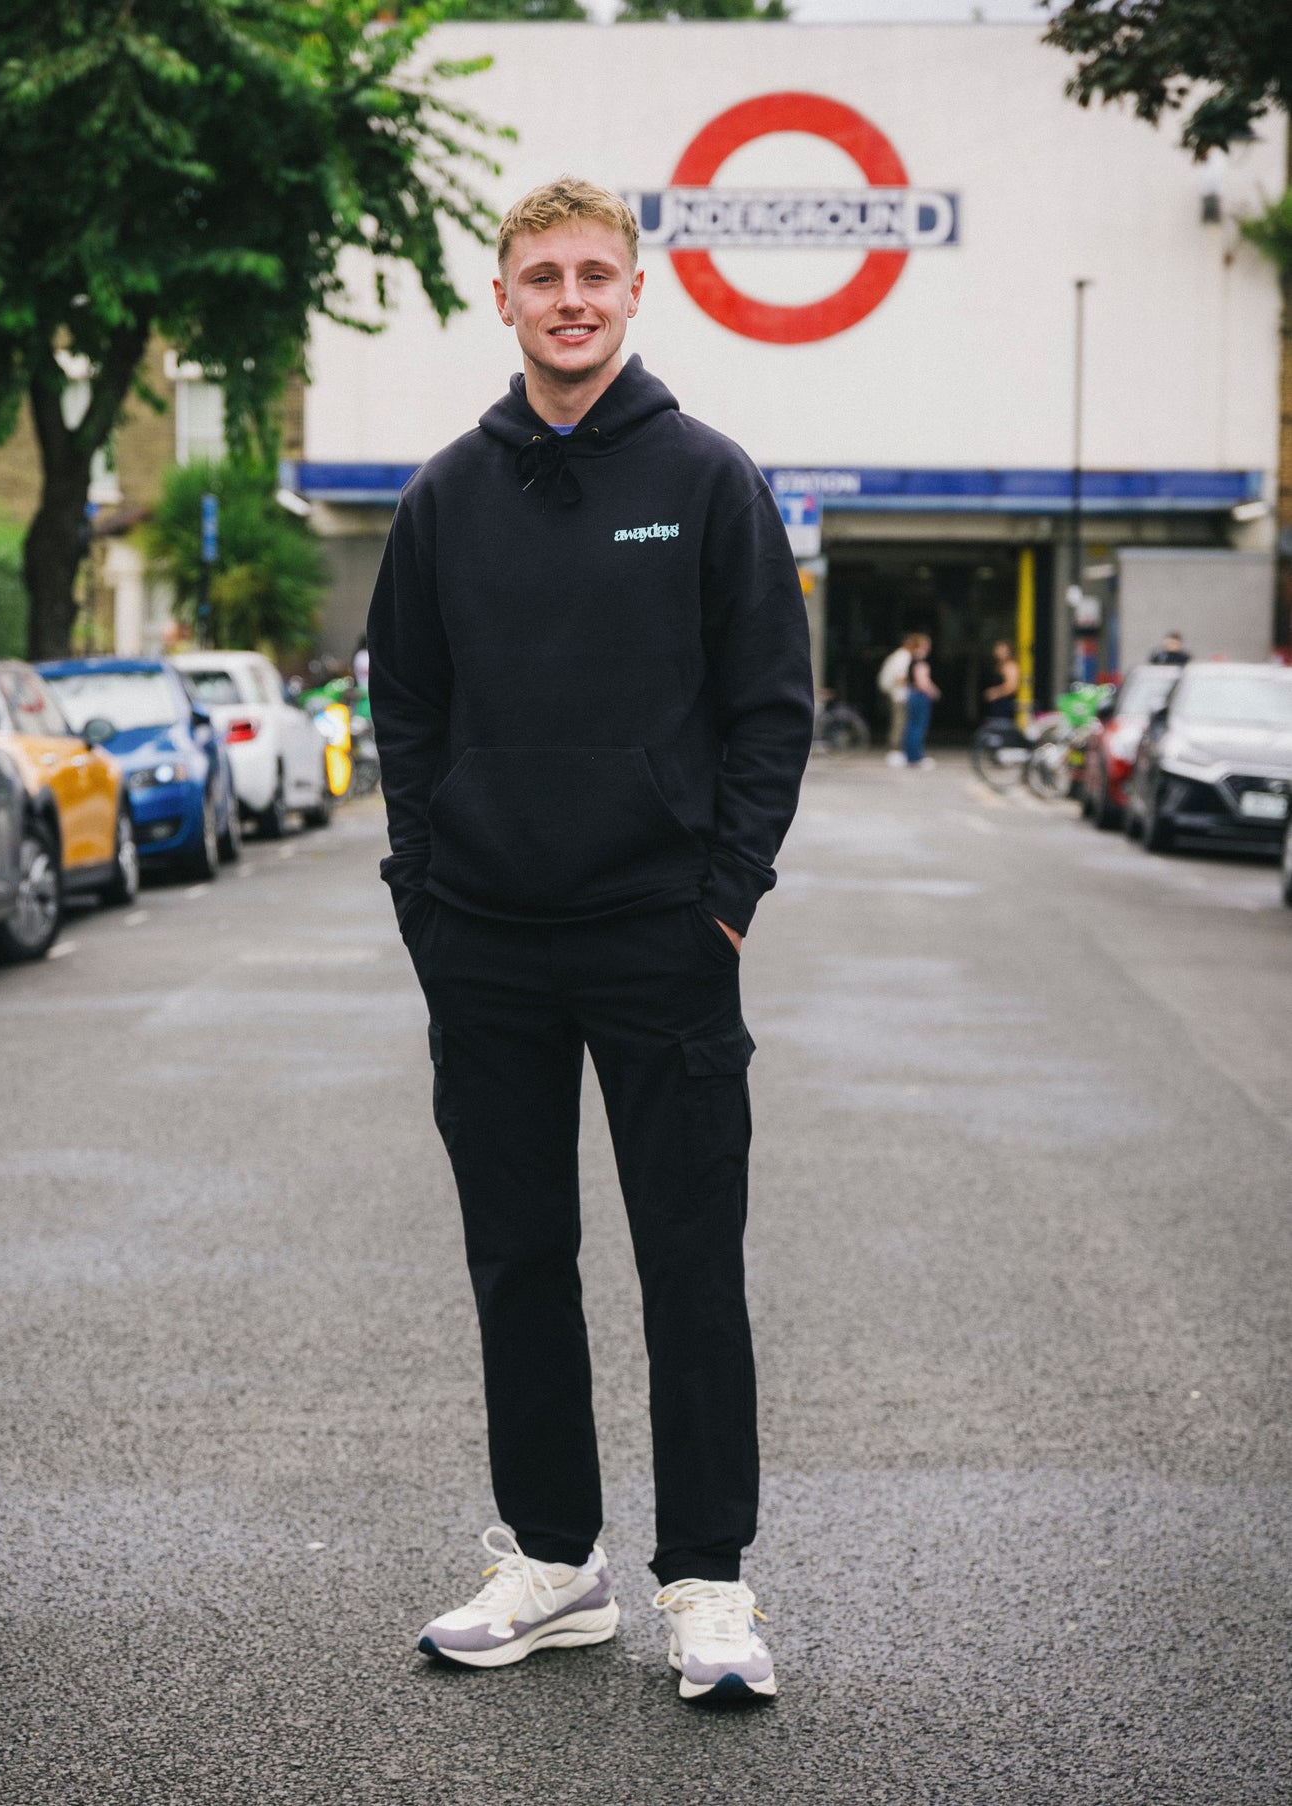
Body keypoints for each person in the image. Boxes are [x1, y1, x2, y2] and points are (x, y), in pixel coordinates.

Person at [368, 177, 815, 1703]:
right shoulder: (442, 495)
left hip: (658, 939)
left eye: (594, 276)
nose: (569, 298)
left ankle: (710, 1584)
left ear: (637, 293)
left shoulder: (706, 477)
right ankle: (554, 1562)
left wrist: (726, 894)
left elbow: (770, 706)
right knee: (519, 1259)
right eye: (540, 276)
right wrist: (421, 893)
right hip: (483, 937)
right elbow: (407, 711)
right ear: (502, 298)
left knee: (692, 1263)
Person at [903, 633, 940, 768]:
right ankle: (915, 757)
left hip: (912, 694)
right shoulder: (920, 661)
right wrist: (933, 691)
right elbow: (922, 682)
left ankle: (910, 755)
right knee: (918, 727)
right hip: (919, 696)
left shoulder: (912, 659)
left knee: (911, 725)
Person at [877, 633, 915, 766]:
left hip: (896, 693)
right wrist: (913, 684)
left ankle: (895, 750)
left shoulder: (898, 655)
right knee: (899, 722)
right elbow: (900, 677)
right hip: (899, 694)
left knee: (898, 722)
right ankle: (894, 750)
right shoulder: (903, 656)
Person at [983, 639, 1020, 722]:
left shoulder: (1010, 666)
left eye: (1002, 650)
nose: (999, 652)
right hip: (997, 706)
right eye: (998, 649)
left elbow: (1012, 686)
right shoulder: (999, 665)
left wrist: (996, 693)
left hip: (1005, 706)